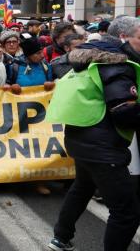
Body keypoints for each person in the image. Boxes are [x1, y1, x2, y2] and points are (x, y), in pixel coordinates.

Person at [46, 38, 140, 251]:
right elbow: (124, 112)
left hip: (80, 142)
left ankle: (61, 237)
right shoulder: (115, 68)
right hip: (104, 149)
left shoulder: (81, 68)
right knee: (126, 212)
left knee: (82, 188)